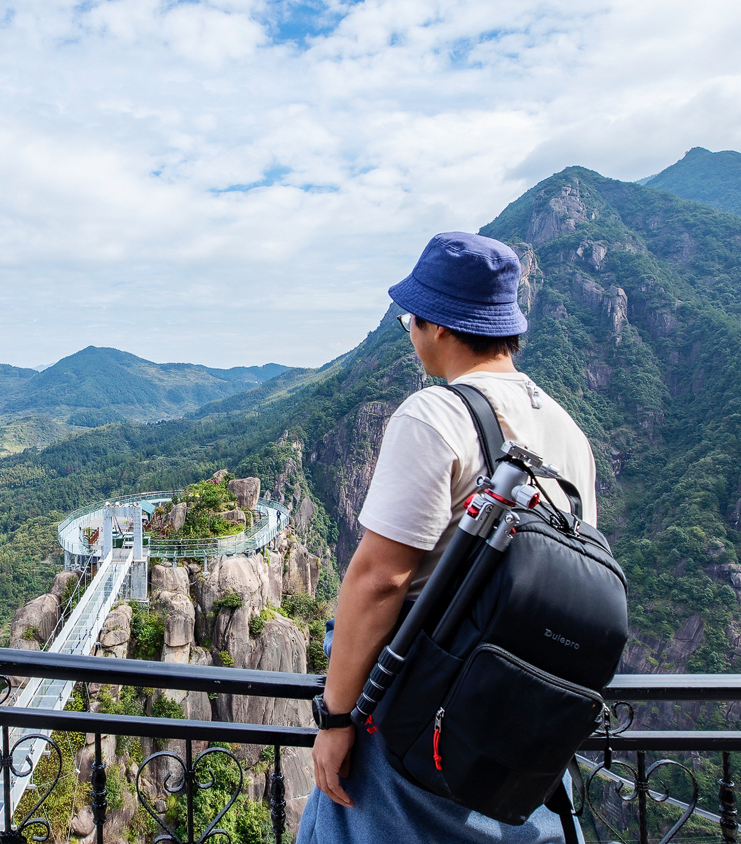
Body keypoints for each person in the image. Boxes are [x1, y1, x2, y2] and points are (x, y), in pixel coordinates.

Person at [297, 231, 597, 844]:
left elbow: (382, 578)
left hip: (422, 703)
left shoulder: (434, 414)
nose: (409, 331)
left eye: (411, 318)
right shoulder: (568, 432)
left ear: (438, 326)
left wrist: (335, 718)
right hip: (521, 712)